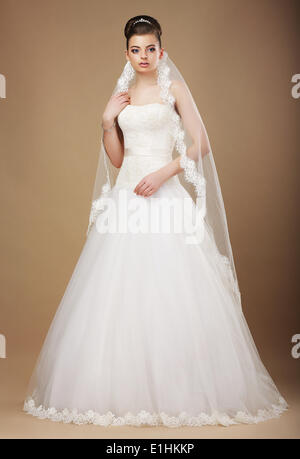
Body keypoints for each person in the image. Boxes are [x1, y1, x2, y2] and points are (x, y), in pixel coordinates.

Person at [23, 15, 288, 428]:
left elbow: (201, 143)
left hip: (164, 195)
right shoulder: (122, 95)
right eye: (135, 49)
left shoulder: (175, 89)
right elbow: (116, 159)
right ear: (126, 53)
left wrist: (165, 173)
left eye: (150, 48)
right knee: (119, 296)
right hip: (127, 199)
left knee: (173, 292)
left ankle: (181, 390)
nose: (143, 56)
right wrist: (106, 121)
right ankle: (124, 391)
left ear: (160, 52)